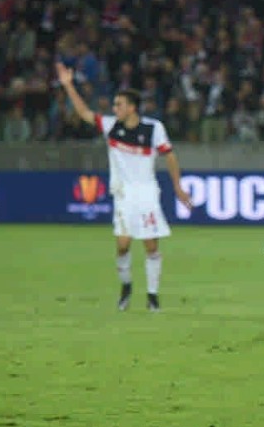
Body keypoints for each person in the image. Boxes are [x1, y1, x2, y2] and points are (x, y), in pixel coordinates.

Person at [56, 62, 193, 312]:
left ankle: (152, 295)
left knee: (151, 246)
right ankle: (127, 286)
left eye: (119, 104)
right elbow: (85, 113)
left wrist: (178, 187)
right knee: (122, 245)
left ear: (131, 108)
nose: (114, 107)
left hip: (147, 193)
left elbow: (170, 156)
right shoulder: (111, 126)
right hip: (123, 194)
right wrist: (68, 85)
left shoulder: (153, 129)